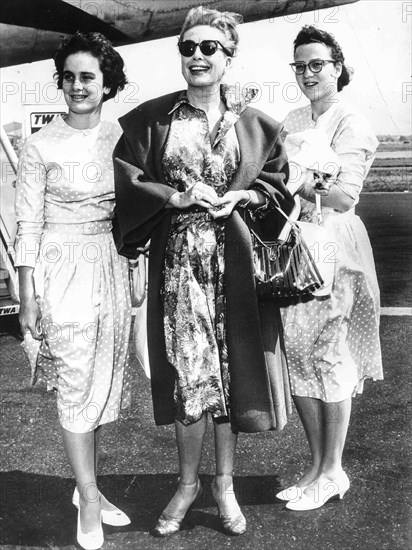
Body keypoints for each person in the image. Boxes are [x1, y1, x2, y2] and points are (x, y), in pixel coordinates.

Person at [114, 6, 294, 537]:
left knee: (231, 372)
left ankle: (225, 485)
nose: (196, 56)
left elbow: (279, 183)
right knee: (191, 375)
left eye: (208, 47)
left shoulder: (255, 123)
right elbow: (128, 180)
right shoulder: (152, 120)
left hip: (234, 266)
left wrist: (245, 193)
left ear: (228, 56)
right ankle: (188, 484)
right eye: (188, 48)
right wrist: (175, 195)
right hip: (179, 267)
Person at [15, 32, 131, 550]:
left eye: (89, 77)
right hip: (60, 269)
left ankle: (90, 486)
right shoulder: (39, 144)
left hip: (108, 264)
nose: (78, 86)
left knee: (99, 382)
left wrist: (138, 262)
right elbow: (27, 225)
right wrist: (26, 294)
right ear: (60, 82)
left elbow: (135, 208)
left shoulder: (121, 137)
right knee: (77, 380)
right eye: (70, 77)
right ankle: (86, 496)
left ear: (107, 86)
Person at [277, 25, 383, 511]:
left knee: (331, 355)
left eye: (316, 64)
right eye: (299, 66)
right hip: (296, 245)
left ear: (337, 67)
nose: (307, 74)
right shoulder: (294, 116)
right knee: (298, 353)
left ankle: (335, 469)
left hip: (334, 245)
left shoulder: (352, 122)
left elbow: (344, 195)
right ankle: (317, 467)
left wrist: (293, 181)